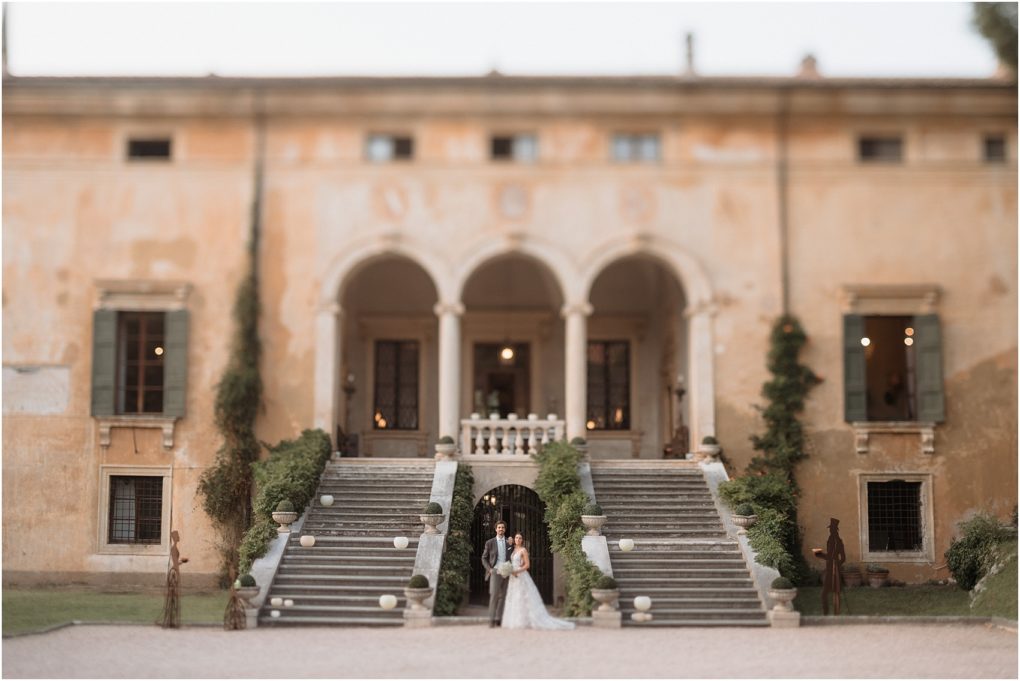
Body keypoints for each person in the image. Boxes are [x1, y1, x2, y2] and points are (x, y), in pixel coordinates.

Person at [501, 531, 575, 630]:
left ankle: (525, 620)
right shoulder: (513, 550)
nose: (518, 539)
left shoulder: (523, 550)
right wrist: (509, 569)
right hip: (513, 577)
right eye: (516, 538)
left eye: (520, 538)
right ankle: (516, 620)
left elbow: (527, 565)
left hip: (520, 575)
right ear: (514, 539)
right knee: (514, 596)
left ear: (522, 540)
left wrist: (517, 571)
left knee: (522, 596)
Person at [480, 520, 511, 628]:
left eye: (503, 527)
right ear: (496, 529)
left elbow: (512, 555)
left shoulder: (509, 542)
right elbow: (484, 558)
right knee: (494, 596)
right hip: (495, 572)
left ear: (505, 529)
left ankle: (499, 618)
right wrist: (489, 569)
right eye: (499, 527)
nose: (501, 529)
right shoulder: (490, 542)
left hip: (506, 573)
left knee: (503, 597)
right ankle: (491, 619)